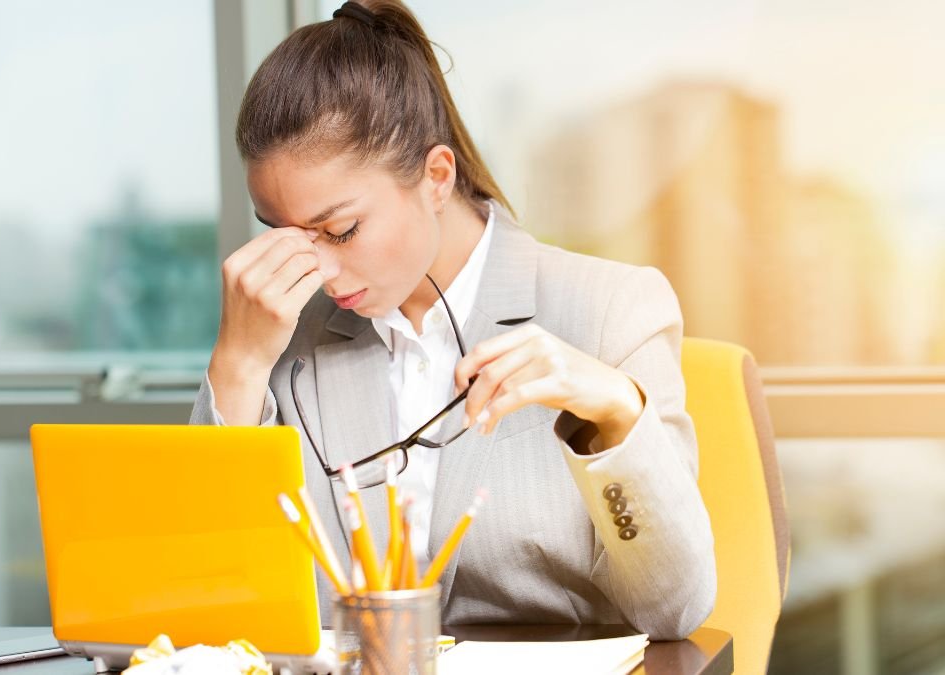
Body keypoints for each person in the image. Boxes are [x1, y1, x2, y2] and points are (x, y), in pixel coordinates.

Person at [191, 0, 715, 640]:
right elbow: (208, 601)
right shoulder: (277, 335)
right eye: (284, 236)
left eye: (340, 229)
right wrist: (239, 365)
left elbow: (675, 609)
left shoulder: (610, 309)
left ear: (436, 177)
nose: (317, 274)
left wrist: (615, 414)